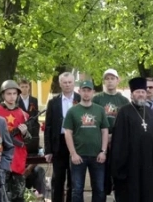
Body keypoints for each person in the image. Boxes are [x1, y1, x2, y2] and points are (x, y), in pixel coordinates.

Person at [111, 77, 153, 202]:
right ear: (132, 94)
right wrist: (120, 166)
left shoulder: (150, 112)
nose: (141, 94)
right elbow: (119, 141)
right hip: (132, 164)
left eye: (143, 92)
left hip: (150, 163)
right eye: (137, 92)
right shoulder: (124, 112)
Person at [63, 80, 109, 202]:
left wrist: (103, 151)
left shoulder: (100, 110)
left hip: (97, 156)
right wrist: (73, 154)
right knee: (77, 189)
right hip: (78, 156)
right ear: (79, 92)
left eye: (89, 90)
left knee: (99, 189)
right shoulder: (73, 111)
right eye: (84, 90)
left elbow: (105, 131)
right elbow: (68, 133)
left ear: (93, 92)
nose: (86, 93)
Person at [0, 80, 31, 202]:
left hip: (18, 157)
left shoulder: (23, 114)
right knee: (1, 194)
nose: (12, 96)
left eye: (14, 93)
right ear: (3, 95)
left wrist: (24, 132)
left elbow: (28, 140)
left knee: (18, 195)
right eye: (9, 93)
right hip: (1, 157)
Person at [44, 72, 81, 202]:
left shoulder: (80, 99)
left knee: (74, 179)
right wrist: (48, 150)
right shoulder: (53, 102)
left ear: (73, 83)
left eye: (70, 82)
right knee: (58, 178)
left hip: (76, 143)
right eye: (64, 82)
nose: (67, 85)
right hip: (58, 143)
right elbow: (47, 127)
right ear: (60, 84)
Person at [92, 68, 129, 196]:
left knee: (117, 170)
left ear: (117, 80)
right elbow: (93, 119)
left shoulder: (124, 101)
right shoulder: (97, 99)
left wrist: (114, 136)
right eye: (107, 79)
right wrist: (103, 136)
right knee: (101, 173)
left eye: (112, 78)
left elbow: (126, 123)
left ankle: (117, 195)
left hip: (117, 140)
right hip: (100, 141)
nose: (110, 81)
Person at [17, 79, 46, 199]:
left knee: (36, 168)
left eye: (26, 86)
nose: (24, 89)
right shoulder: (16, 100)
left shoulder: (33, 100)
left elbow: (35, 115)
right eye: (22, 86)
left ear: (29, 87)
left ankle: (37, 196)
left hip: (32, 131)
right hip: (20, 130)